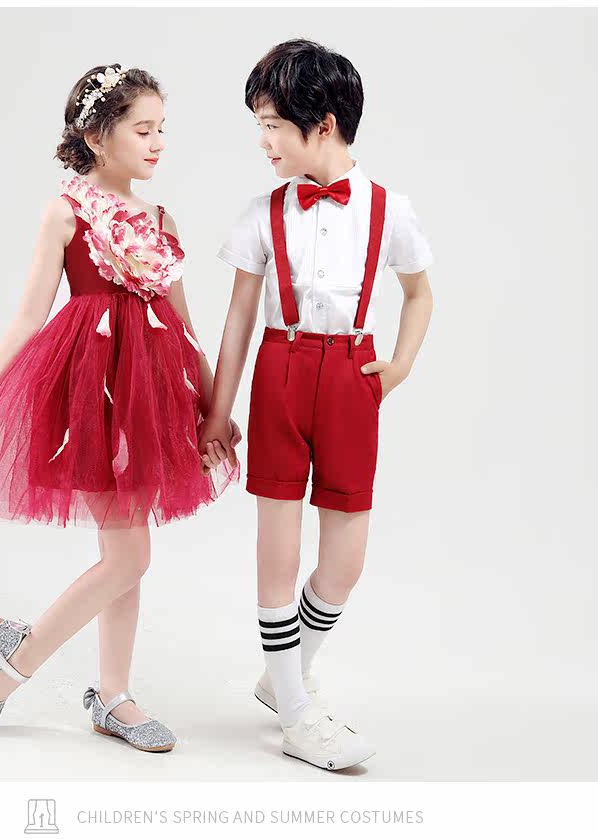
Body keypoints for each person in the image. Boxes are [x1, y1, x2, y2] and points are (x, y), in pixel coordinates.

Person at [0, 63, 240, 751]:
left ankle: (113, 695)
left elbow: (183, 323)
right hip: (92, 390)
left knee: (124, 551)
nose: (158, 142)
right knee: (129, 555)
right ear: (98, 137)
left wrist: (213, 406)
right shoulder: (66, 213)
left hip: (150, 396)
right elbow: (28, 317)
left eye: (162, 129)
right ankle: (14, 660)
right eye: (143, 129)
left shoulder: (160, 221)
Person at [200, 39, 434, 771]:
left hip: (352, 376)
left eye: (273, 125)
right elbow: (239, 319)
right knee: (278, 545)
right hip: (281, 368)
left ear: (323, 124)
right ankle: (299, 714)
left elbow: (419, 293)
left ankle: (285, 676)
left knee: (345, 560)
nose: (262, 141)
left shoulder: (389, 209)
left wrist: (397, 367)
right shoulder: (262, 212)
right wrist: (218, 412)